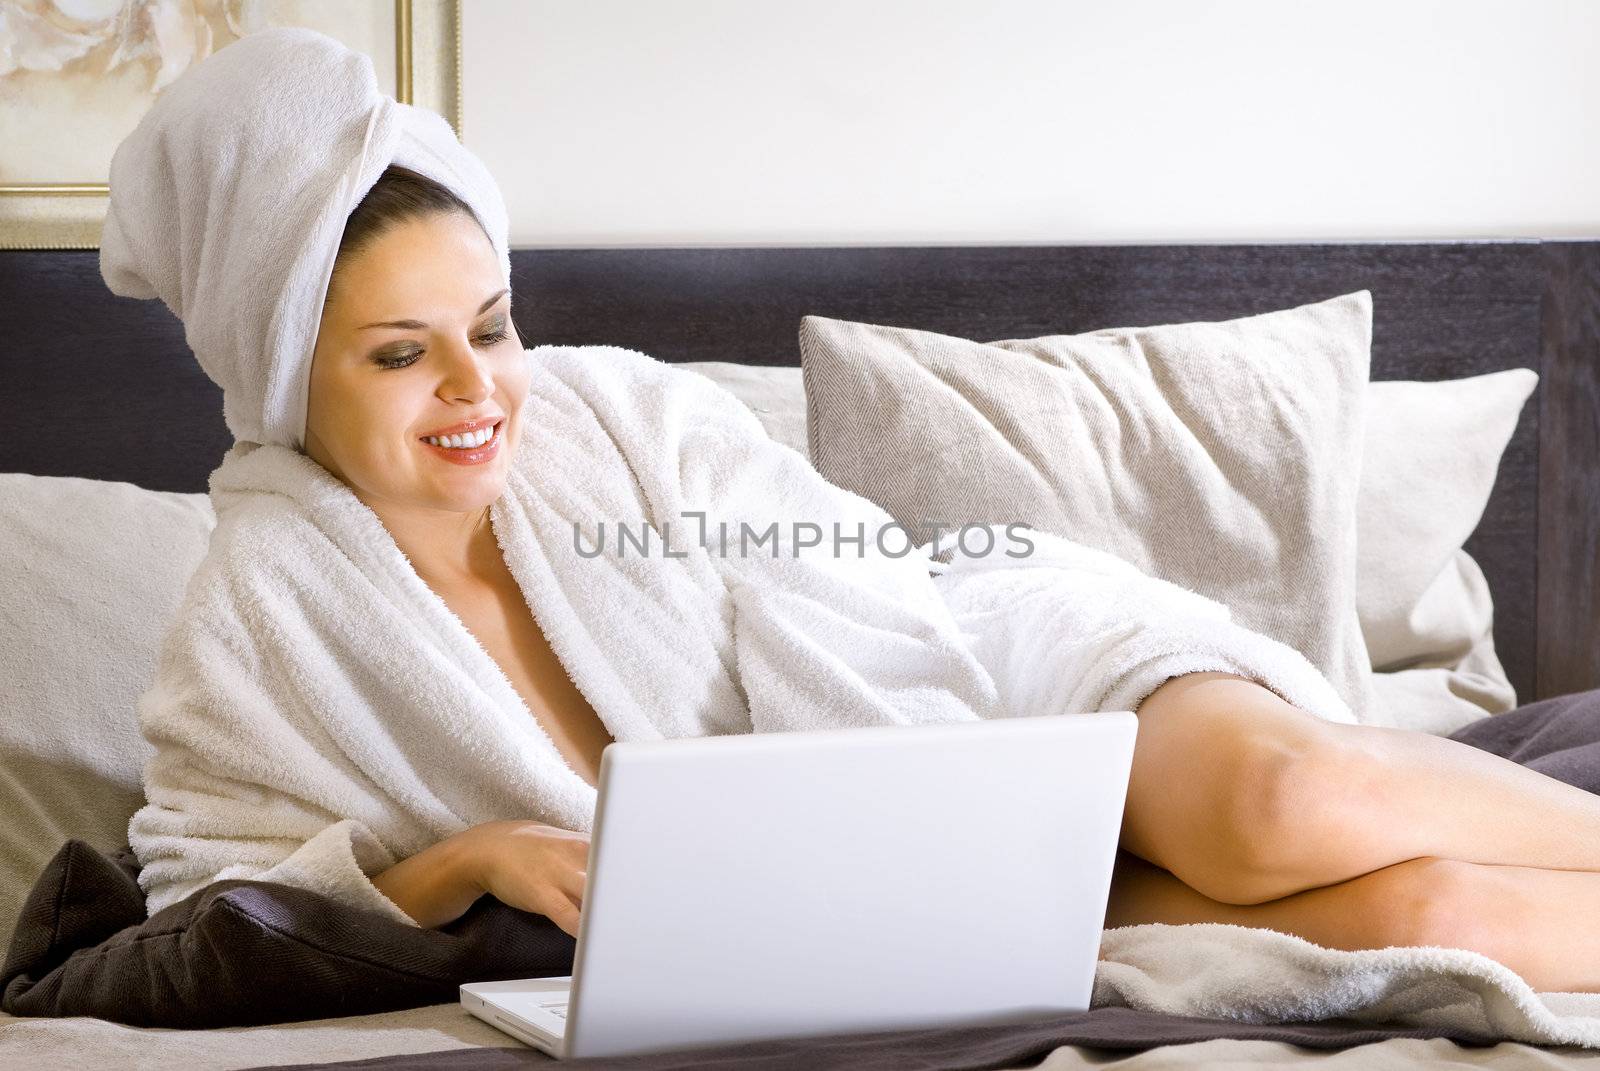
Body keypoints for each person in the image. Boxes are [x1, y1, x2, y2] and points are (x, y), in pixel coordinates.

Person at [102, 29, 1600, 996]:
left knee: (1290, 807)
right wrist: (468, 858)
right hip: (872, 909)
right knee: (1441, 922)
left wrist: (935, 815)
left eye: (488, 325)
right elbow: (211, 914)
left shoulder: (622, 415)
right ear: (285, 371)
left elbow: (865, 598)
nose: (478, 386)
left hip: (973, 690)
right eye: (396, 354)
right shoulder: (259, 614)